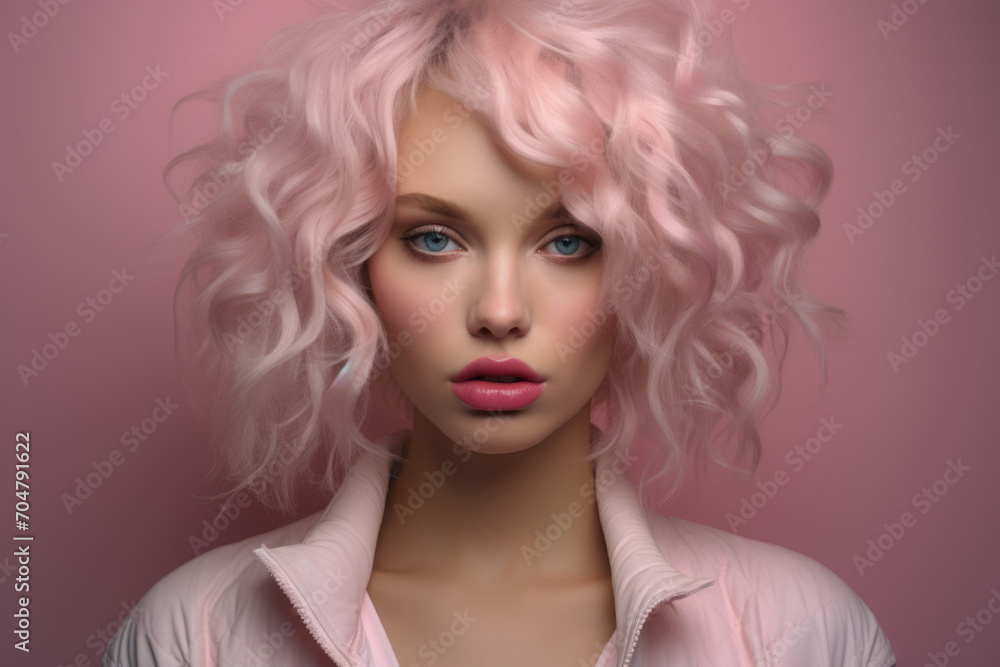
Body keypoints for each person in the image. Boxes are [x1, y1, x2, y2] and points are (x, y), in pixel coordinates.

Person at [104, 0, 897, 665]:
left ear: (651, 268)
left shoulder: (802, 631)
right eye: (435, 239)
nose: (500, 309)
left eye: (569, 242)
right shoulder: (196, 632)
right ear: (349, 267)